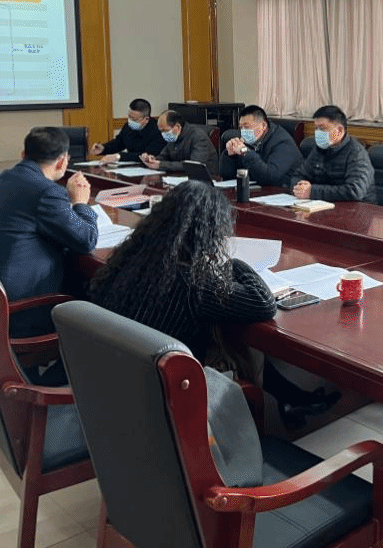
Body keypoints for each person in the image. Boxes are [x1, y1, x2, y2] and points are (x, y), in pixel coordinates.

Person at [89, 180, 338, 424]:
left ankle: (290, 397)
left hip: (116, 385)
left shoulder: (128, 259)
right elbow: (263, 303)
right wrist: (232, 260)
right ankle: (288, 399)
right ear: (207, 234)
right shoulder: (192, 283)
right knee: (237, 341)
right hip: (166, 400)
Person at [0, 127, 98, 337]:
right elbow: (86, 239)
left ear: (23, 155)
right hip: (19, 307)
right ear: (63, 161)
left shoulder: (0, 179)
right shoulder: (47, 191)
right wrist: (81, 203)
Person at [291, 105, 375, 203]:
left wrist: (312, 191)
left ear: (339, 130)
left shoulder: (356, 153)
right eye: (316, 128)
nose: (318, 133)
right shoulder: (319, 149)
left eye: (322, 129)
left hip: (358, 208)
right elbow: (299, 175)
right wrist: (299, 187)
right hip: (322, 204)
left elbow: (355, 191)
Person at [219, 104, 303, 186]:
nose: (243, 132)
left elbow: (270, 177)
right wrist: (230, 155)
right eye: (241, 127)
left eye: (247, 127)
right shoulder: (248, 141)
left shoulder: (283, 143)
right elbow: (227, 176)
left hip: (285, 190)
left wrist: (245, 152)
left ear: (263, 126)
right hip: (256, 188)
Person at [140, 109, 218, 174]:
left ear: (177, 127)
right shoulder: (174, 136)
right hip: (179, 176)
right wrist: (153, 159)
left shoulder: (198, 136)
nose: (163, 134)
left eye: (165, 130)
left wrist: (161, 165)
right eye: (161, 131)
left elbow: (194, 166)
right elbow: (164, 156)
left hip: (206, 178)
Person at [90, 97, 164, 163]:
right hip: (130, 167)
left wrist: (119, 156)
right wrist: (103, 148)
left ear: (146, 119)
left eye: (134, 119)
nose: (130, 121)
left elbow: (147, 155)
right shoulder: (128, 126)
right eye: (129, 117)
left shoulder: (159, 131)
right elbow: (119, 143)